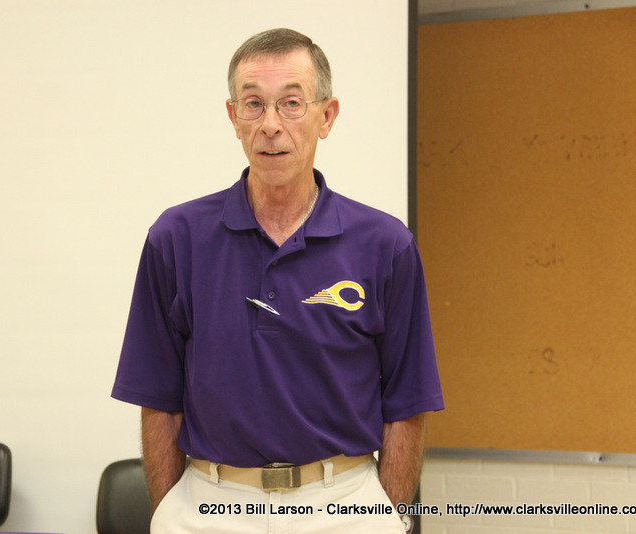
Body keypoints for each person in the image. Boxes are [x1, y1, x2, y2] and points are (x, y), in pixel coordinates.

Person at [112, 28, 443, 534]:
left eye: (291, 103)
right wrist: (167, 514)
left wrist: (389, 517)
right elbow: (158, 397)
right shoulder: (176, 237)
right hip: (210, 506)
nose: (270, 125)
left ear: (326, 116)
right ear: (233, 117)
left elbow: (408, 401)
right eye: (253, 104)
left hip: (344, 503)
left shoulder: (385, 244)